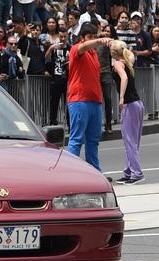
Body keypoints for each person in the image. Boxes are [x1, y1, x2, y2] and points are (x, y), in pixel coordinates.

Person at [66, 22, 111, 171]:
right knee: (76, 140)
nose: (92, 39)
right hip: (79, 100)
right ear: (82, 38)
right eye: (89, 37)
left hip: (94, 101)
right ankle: (71, 173)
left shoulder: (94, 53)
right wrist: (98, 40)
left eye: (94, 36)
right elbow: (82, 47)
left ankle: (95, 173)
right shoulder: (76, 49)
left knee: (93, 141)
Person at [111, 40, 145, 185]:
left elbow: (123, 78)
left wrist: (121, 97)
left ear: (114, 52)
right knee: (133, 141)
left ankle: (136, 173)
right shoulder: (127, 59)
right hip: (137, 104)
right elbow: (129, 53)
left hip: (130, 104)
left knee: (130, 141)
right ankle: (129, 171)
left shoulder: (118, 63)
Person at [45, 27, 70, 127]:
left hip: (67, 79)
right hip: (56, 79)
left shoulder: (70, 48)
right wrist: (51, 48)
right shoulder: (54, 47)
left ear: (67, 35)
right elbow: (46, 59)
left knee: (68, 104)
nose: (63, 39)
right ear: (58, 36)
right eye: (61, 37)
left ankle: (69, 123)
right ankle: (52, 122)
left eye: (64, 36)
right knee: (54, 102)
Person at [98, 24, 116, 134]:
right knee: (96, 100)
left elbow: (115, 49)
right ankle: (96, 124)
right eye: (105, 31)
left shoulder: (111, 43)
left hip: (106, 73)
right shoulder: (96, 41)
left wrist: (110, 41)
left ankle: (108, 124)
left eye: (109, 31)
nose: (107, 33)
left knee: (108, 99)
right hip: (95, 73)